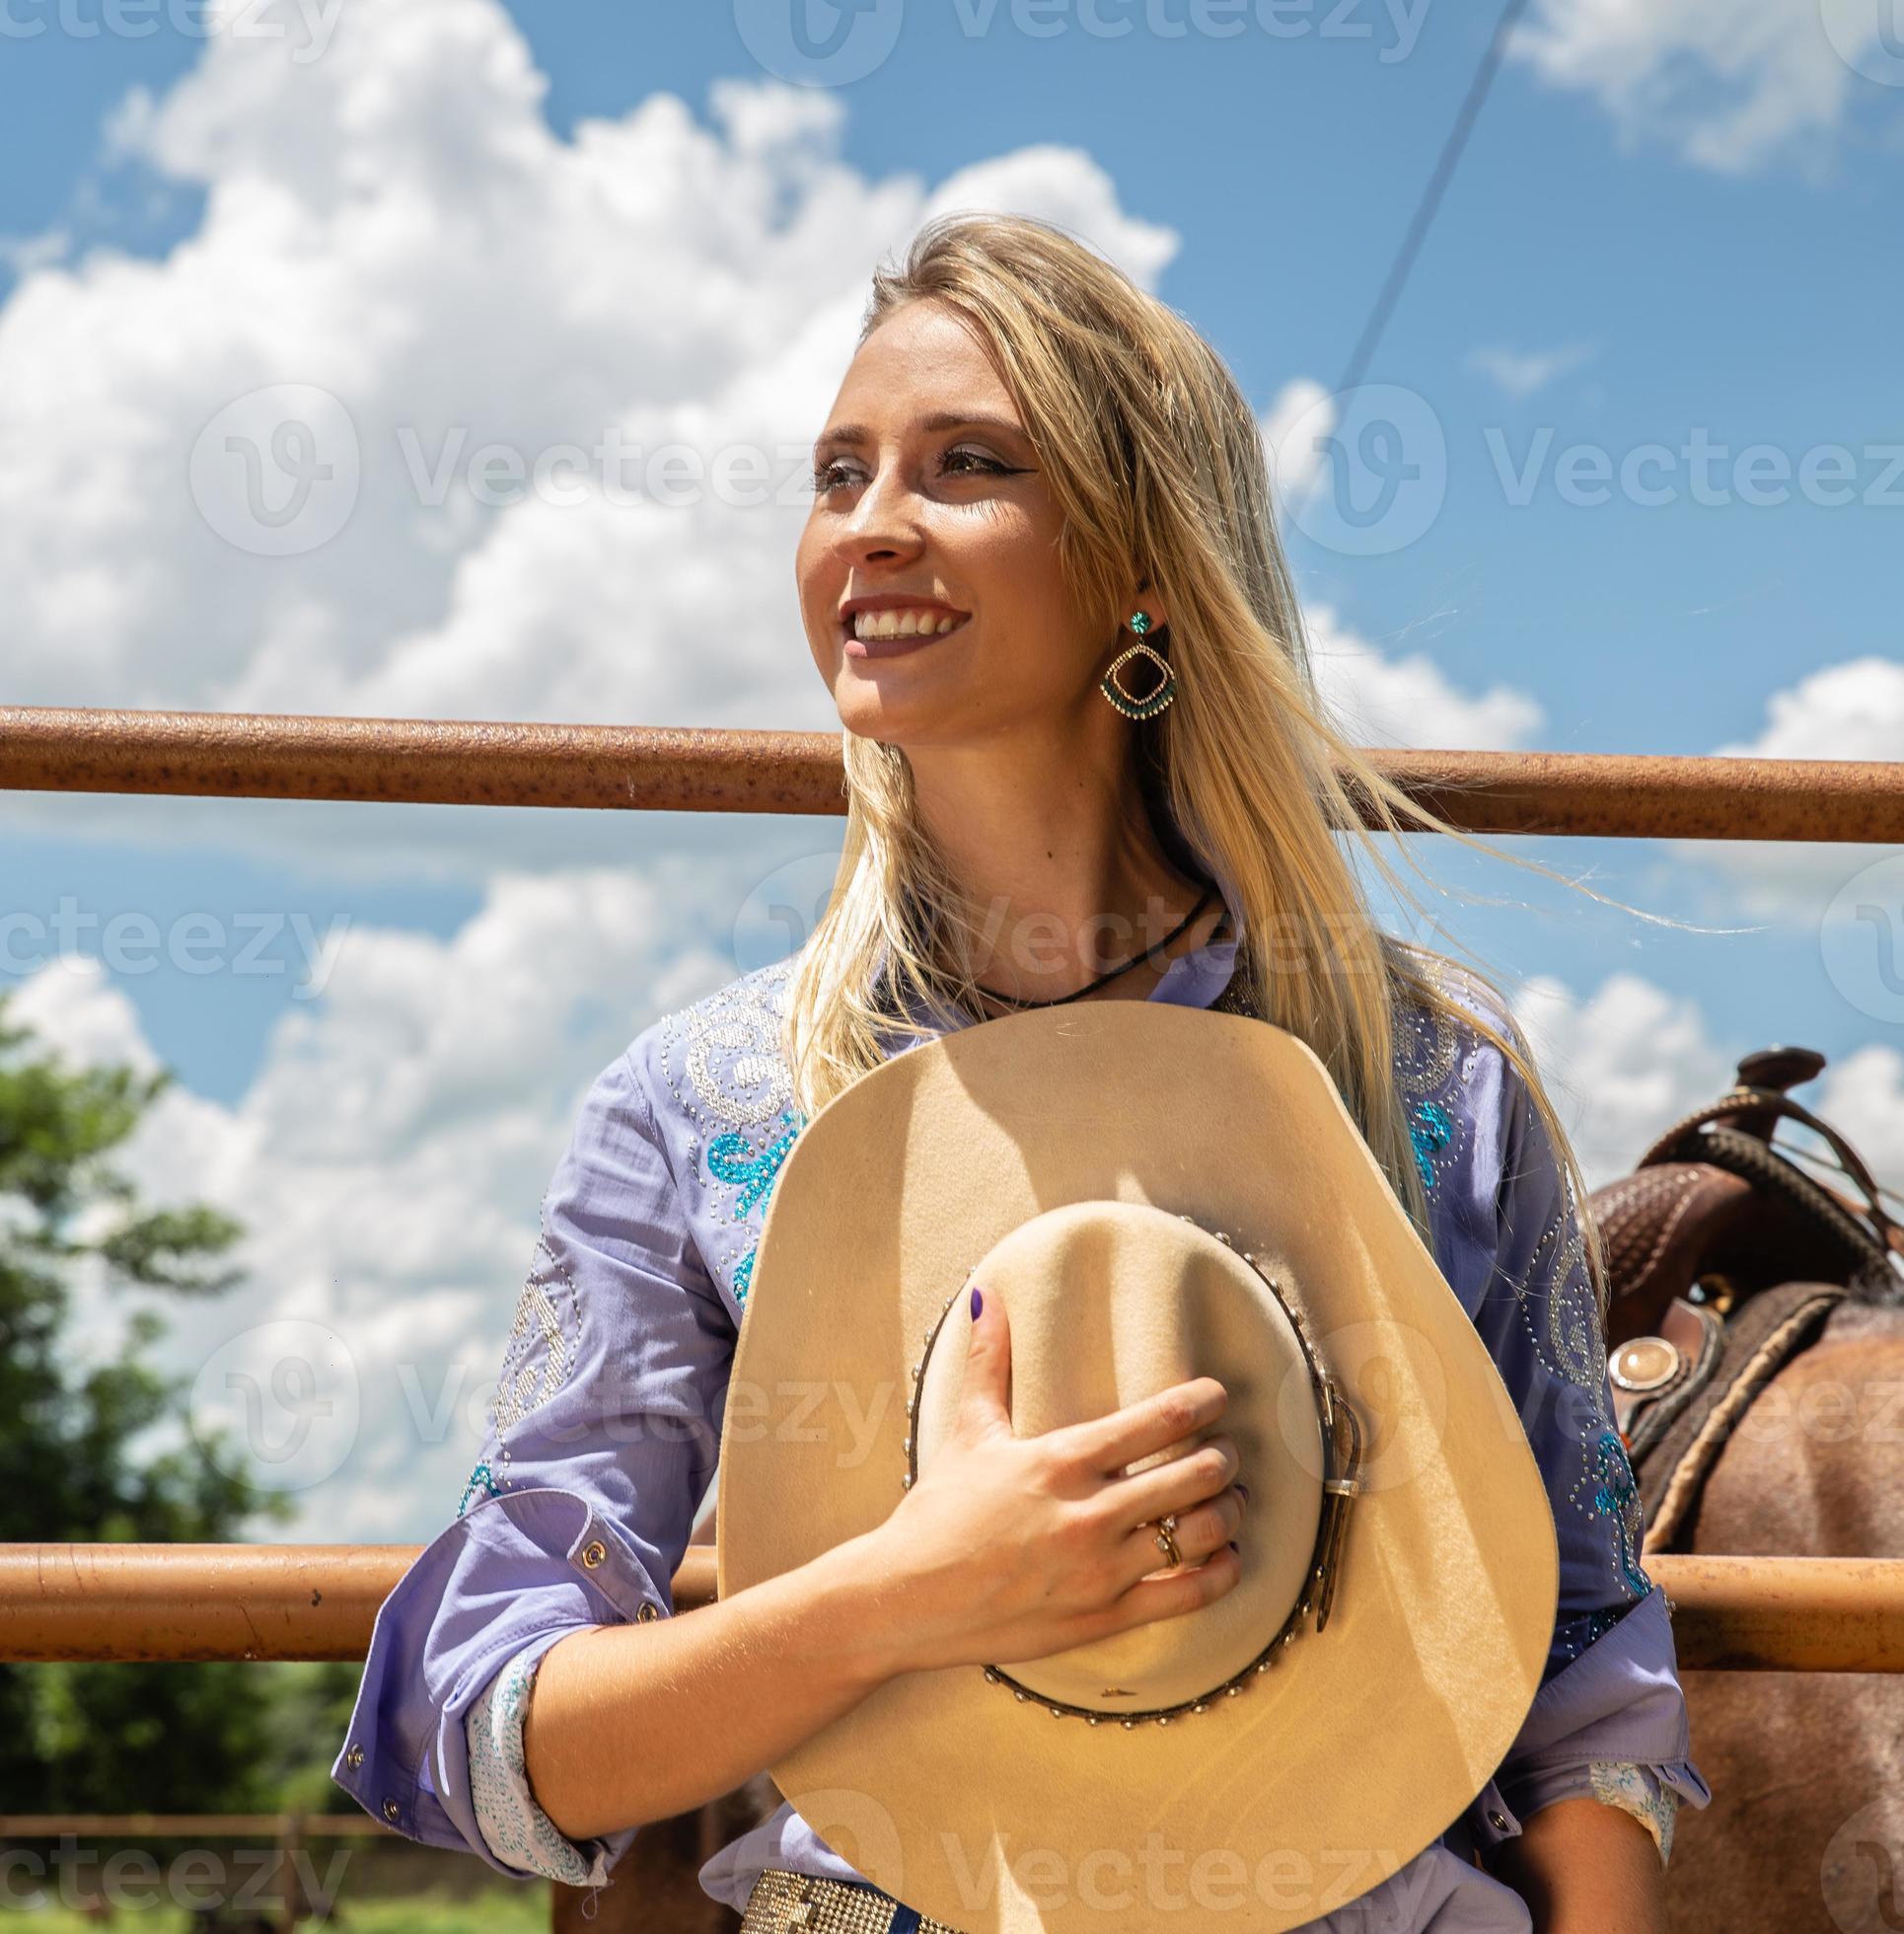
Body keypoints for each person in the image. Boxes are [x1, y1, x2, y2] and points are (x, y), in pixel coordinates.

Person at [333, 210, 1709, 1932]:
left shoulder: (1423, 1075)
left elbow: (1579, 1644)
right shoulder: (702, 1108)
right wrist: (912, 1590)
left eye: (962, 464)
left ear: (1147, 562)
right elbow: (489, 1729)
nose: (870, 527)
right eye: (837, 475)